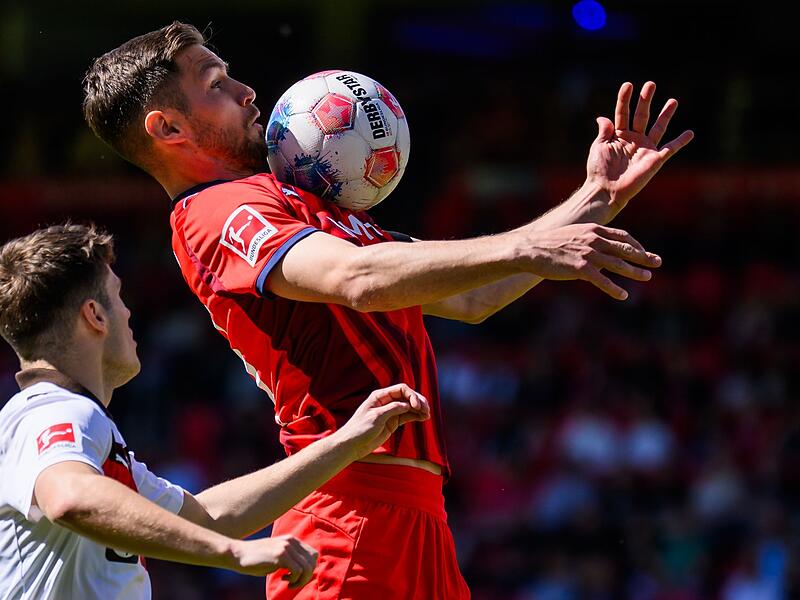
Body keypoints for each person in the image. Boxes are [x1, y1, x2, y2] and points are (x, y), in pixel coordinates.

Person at [82, 21, 693, 599]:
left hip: (419, 513)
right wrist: (526, 245)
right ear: (167, 130)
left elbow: (472, 295)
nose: (246, 92)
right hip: (347, 512)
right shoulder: (215, 212)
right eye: (216, 85)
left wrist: (595, 198)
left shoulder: (299, 201)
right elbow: (355, 278)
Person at [0, 223, 430, 600]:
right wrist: (235, 553)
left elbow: (208, 517)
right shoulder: (54, 412)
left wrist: (347, 442)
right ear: (94, 315)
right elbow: (70, 496)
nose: (129, 312)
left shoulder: (75, 425)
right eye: (118, 297)